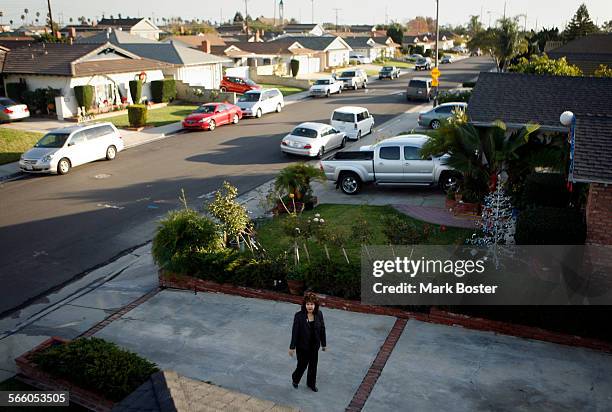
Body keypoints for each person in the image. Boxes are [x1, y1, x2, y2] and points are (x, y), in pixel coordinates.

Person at [289, 292, 327, 392]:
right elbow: (295, 332)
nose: (310, 306)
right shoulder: (299, 316)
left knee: (313, 366)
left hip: (314, 346)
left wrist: (324, 344)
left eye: (312, 304)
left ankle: (311, 384)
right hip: (302, 346)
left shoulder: (319, 314)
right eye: (308, 304)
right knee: (302, 365)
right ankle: (295, 379)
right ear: (305, 305)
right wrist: (292, 347)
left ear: (315, 305)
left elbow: (322, 329)